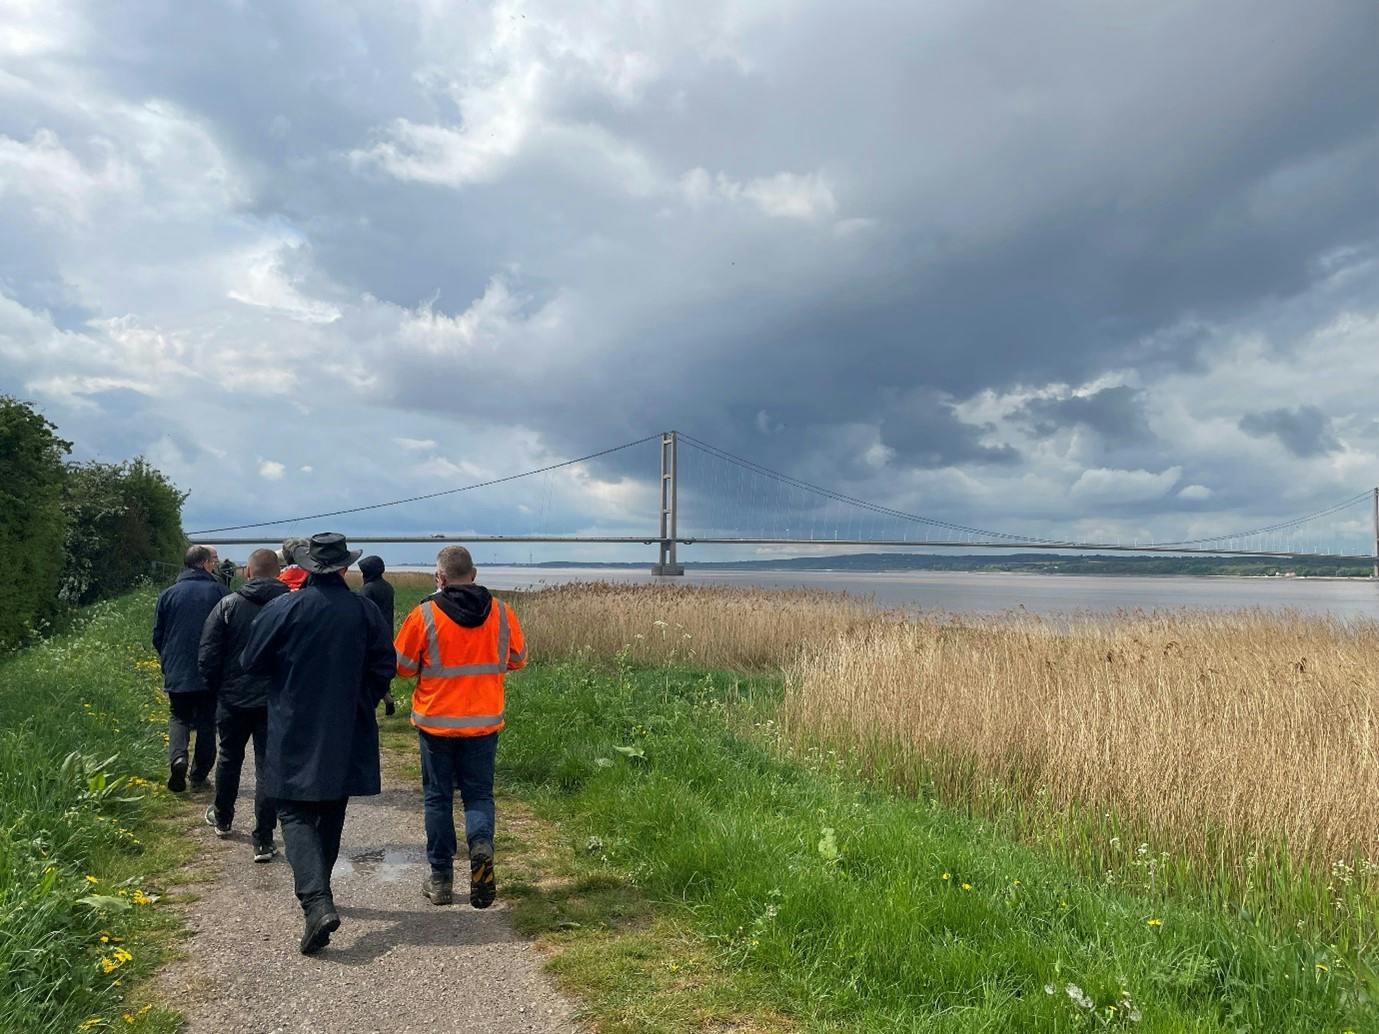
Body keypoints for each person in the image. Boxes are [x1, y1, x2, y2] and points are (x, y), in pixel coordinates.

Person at [241, 533, 394, 955]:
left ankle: (316, 901)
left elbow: (251, 662)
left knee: (292, 808)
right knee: (331, 807)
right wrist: (362, 697)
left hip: (294, 721)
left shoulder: (283, 608)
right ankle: (318, 898)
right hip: (348, 722)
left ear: (308, 567)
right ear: (344, 568)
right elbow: (385, 665)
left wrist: (285, 678)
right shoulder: (364, 611)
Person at [394, 545, 526, 909]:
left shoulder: (424, 615)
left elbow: (402, 666)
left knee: (438, 799)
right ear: (475, 573)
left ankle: (440, 880)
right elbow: (517, 659)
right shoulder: (501, 611)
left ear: (440, 578)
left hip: (436, 724)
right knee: (478, 796)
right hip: (484, 723)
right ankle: (480, 845)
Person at [198, 548, 289, 863]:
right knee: (267, 766)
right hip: (275, 701)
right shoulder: (291, 606)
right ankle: (263, 838)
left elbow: (208, 653)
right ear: (278, 573)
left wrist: (216, 689)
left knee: (229, 758)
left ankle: (223, 818)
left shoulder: (228, 605)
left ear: (247, 573)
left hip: (233, 698)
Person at [152, 545, 229, 793]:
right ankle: (198, 776)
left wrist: (167, 657)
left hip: (177, 666)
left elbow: (158, 635)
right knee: (207, 721)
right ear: (205, 563)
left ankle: (178, 758)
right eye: (213, 561)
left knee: (179, 716)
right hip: (210, 667)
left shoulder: (168, 594)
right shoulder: (220, 592)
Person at [357, 555, 397, 717]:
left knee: (368, 669)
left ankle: (372, 702)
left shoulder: (368, 589)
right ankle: (387, 696)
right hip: (387, 631)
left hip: (371, 634)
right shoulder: (387, 587)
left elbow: (363, 613)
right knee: (381, 668)